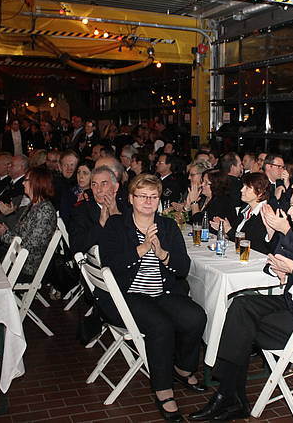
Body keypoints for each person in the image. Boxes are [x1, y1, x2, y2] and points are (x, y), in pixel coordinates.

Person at [190, 182, 293, 421]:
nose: (289, 212)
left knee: (241, 326)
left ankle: (228, 396)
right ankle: (229, 394)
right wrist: (281, 268)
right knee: (240, 304)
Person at [98, 174, 207, 422]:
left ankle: (182, 368)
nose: (148, 201)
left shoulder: (167, 226)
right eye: (142, 196)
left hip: (162, 292)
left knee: (195, 316)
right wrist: (142, 248)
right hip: (128, 295)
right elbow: (110, 265)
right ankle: (163, 390)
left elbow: (183, 268)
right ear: (131, 198)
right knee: (161, 326)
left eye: (154, 197)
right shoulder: (116, 225)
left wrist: (162, 254)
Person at [0, 167, 57, 282]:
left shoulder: (45, 211)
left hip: (26, 266)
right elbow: (20, 233)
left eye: (26, 180)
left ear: (37, 183)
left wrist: (3, 234)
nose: (23, 183)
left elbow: (29, 246)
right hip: (16, 258)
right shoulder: (33, 205)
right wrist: (4, 229)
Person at [211, 172, 276, 255]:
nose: (242, 190)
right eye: (243, 186)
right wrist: (225, 230)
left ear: (260, 192)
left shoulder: (265, 213)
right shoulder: (245, 209)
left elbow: (254, 244)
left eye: (247, 188)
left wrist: (228, 230)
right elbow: (236, 236)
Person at [67, 166, 125, 255]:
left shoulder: (126, 208)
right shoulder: (80, 211)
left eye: (104, 184)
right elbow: (76, 247)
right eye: (94, 184)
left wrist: (115, 214)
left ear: (116, 187)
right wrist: (100, 224)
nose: (98, 190)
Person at [59, 158, 93, 225]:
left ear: (93, 175)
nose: (81, 176)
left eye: (85, 173)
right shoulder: (69, 193)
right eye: (78, 172)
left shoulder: (96, 194)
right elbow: (65, 218)